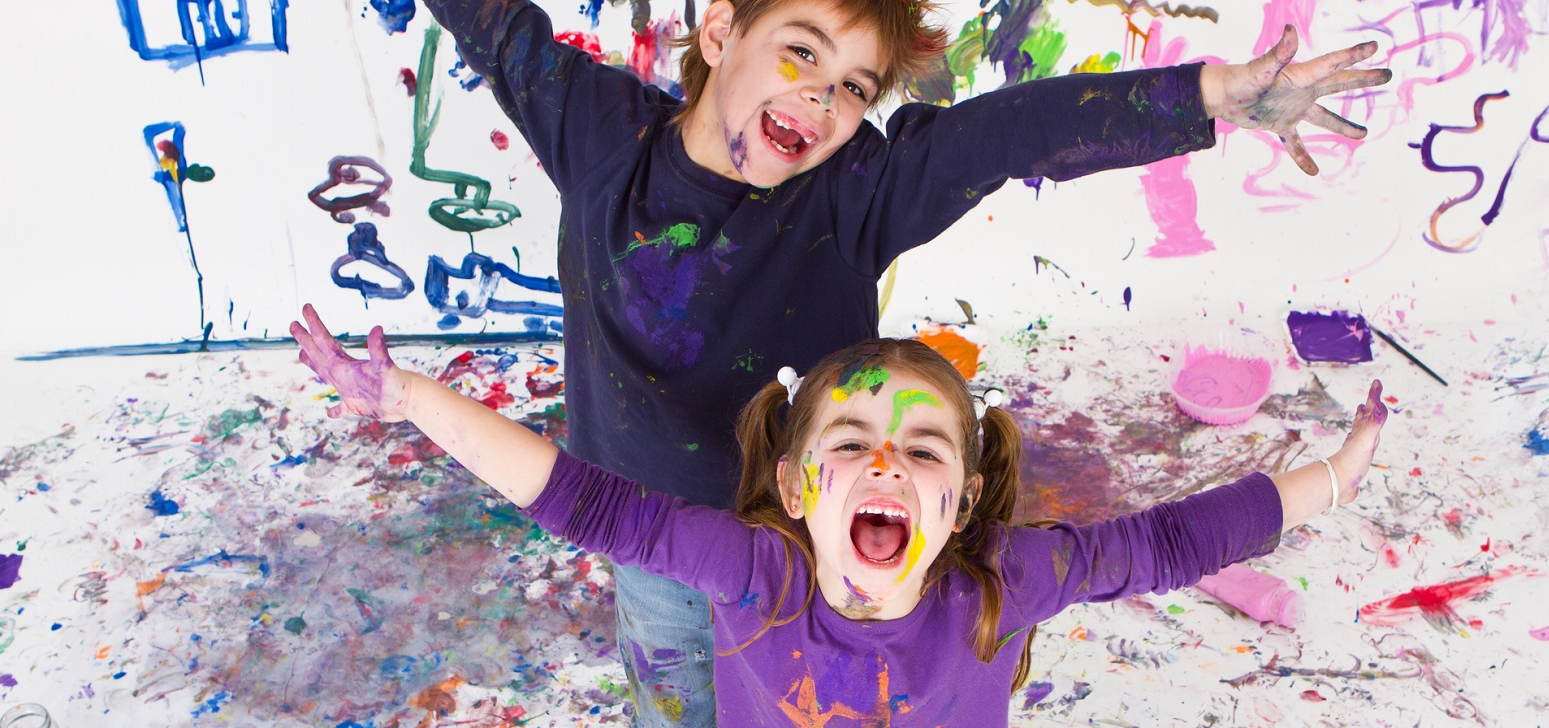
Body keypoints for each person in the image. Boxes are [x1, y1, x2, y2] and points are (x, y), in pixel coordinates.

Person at [238, 0, 1395, 723]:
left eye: (852, 86)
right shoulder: (598, 136)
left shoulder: (857, 193)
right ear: (719, 32)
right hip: (632, 517)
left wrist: (1216, 95)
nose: (822, 98)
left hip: (812, 545)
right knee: (676, 690)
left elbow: (1014, 131)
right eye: (799, 54)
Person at [289, 303, 1391, 726]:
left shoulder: (1003, 579)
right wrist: (405, 397)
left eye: (919, 451)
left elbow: (1167, 542)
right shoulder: (749, 567)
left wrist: (1336, 474)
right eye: (850, 446)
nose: (884, 466)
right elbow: (585, 501)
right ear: (796, 487)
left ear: (956, 502)